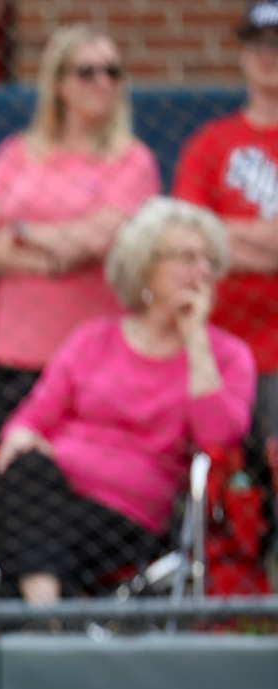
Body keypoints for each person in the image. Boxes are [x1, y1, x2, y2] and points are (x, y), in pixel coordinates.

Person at [0, 198, 254, 604]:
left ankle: (40, 623)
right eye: (186, 257)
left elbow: (219, 437)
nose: (203, 270)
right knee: (30, 472)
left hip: (126, 517)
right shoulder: (93, 340)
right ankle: (52, 620)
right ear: (144, 266)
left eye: (209, 259)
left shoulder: (225, 356)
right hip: (47, 491)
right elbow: (31, 418)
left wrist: (195, 339)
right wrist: (20, 436)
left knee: (27, 540)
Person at [0, 25, 160, 445]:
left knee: (80, 488)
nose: (102, 82)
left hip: (97, 356)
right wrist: (54, 256)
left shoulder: (131, 160)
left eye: (112, 72)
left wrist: (17, 232)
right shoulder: (16, 153)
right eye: (87, 72)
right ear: (59, 83)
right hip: (14, 352)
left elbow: (98, 239)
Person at [173, 2, 278, 433]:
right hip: (218, 346)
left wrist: (223, 233)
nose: (268, 55)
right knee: (223, 481)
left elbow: (209, 232)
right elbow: (189, 237)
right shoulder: (211, 144)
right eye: (258, 44)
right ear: (241, 54)